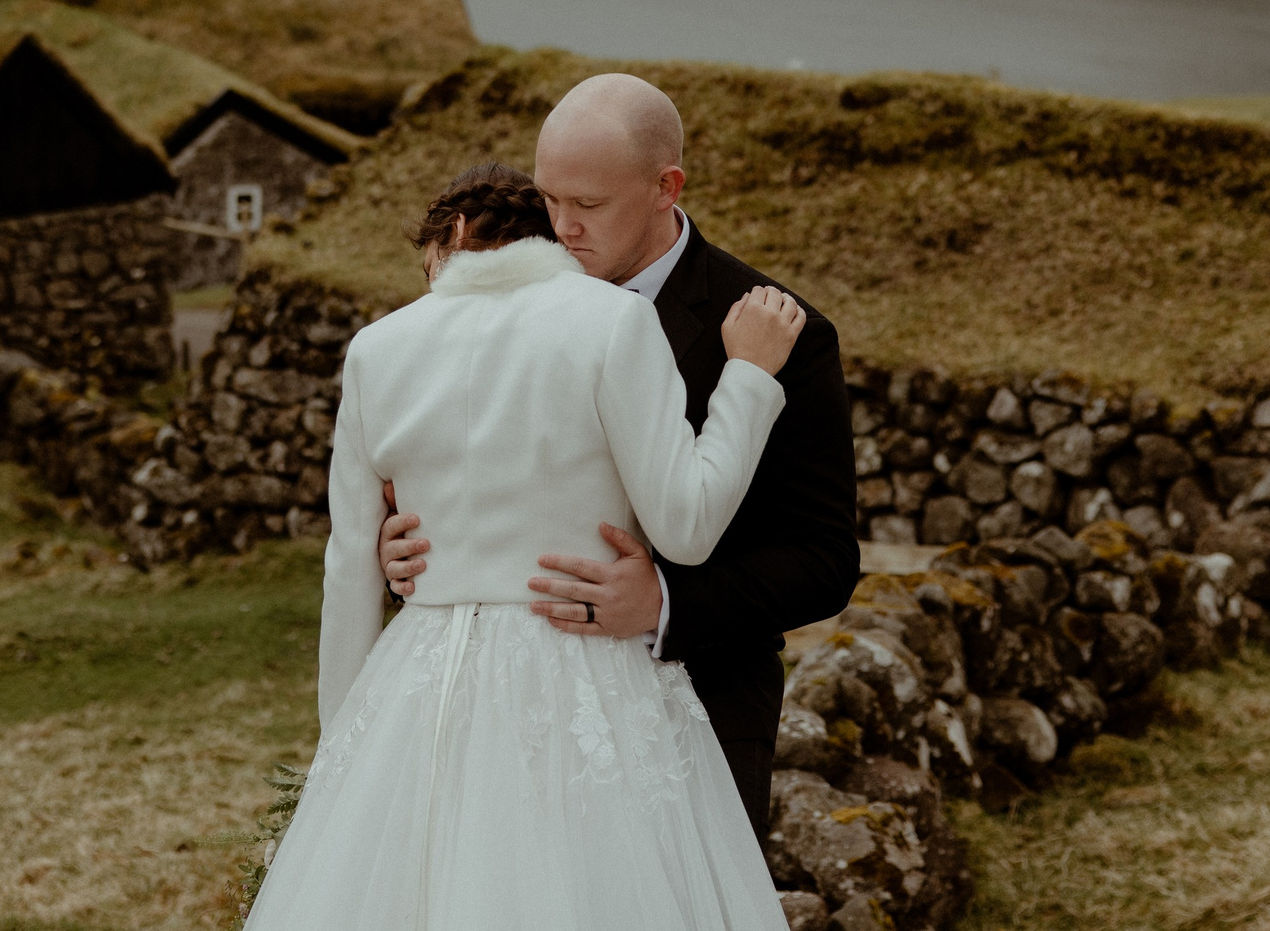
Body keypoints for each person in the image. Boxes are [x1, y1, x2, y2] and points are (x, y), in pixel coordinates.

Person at [241, 161, 806, 929]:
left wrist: (347, 753)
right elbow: (687, 527)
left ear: (456, 234)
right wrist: (748, 378)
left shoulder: (377, 348)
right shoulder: (613, 320)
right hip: (583, 669)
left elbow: (348, 569)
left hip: (422, 677)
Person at [380, 73, 861, 831]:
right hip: (511, 721)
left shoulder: (777, 335)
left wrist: (663, 604)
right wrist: (404, 538)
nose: (560, 228)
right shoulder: (504, 301)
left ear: (665, 186)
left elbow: (825, 559)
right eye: (550, 199)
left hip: (699, 707)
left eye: (589, 206)